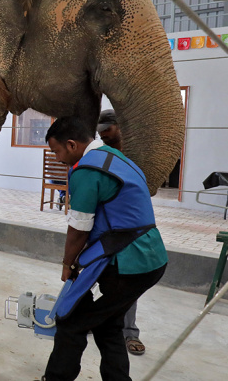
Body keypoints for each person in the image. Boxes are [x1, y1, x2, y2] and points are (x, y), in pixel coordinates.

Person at [43, 117, 167, 381]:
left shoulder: (88, 169)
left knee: (71, 322)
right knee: (109, 325)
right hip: (150, 258)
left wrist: (67, 264)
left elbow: (79, 226)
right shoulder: (115, 157)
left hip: (128, 262)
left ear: (72, 144)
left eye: (56, 151)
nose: (56, 158)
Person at [97, 109, 145, 356]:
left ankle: (129, 333)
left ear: (120, 127)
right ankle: (88, 321)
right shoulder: (101, 155)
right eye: (101, 129)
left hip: (129, 227)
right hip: (104, 224)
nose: (103, 133)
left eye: (108, 128)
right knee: (93, 274)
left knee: (127, 279)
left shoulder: (134, 155)